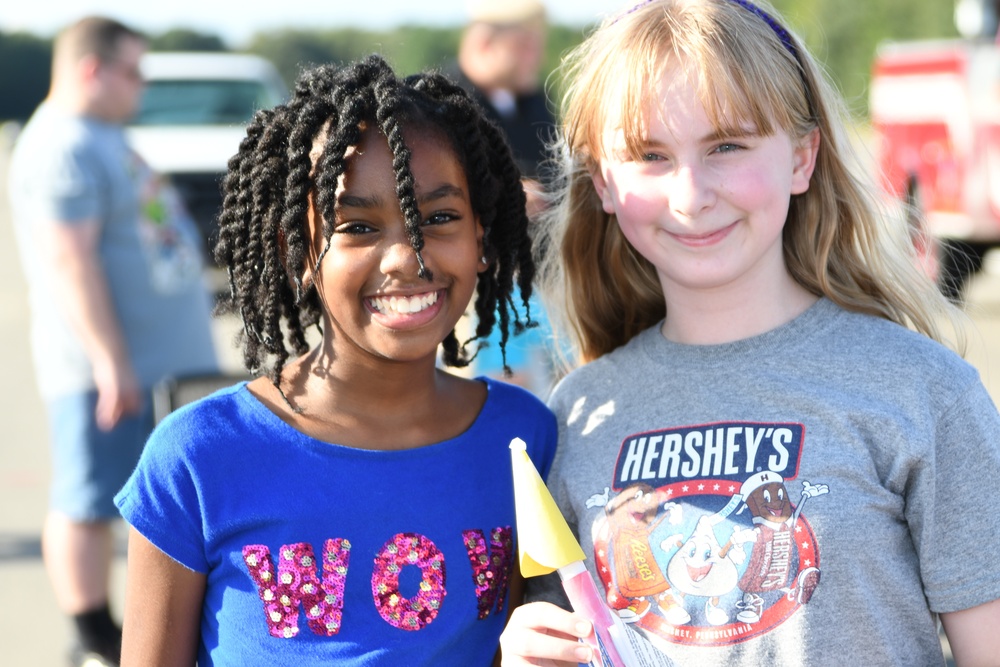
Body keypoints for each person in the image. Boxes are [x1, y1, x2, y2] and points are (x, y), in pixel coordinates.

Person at [498, 1, 1000, 665]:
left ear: (802, 156)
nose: (690, 193)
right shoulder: (578, 414)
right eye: (650, 155)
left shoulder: (924, 390)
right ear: (605, 185)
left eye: (726, 145)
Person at [112, 55, 558, 666]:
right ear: (297, 251)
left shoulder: (523, 438)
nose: (408, 258)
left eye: (440, 218)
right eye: (357, 226)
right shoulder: (199, 455)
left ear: (482, 237)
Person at [7, 16, 217, 667]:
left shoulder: (100, 137)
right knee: (88, 497)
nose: (141, 84)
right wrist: (110, 359)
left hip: (154, 364)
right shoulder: (62, 146)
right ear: (92, 70)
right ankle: (95, 636)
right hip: (112, 370)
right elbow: (72, 261)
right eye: (133, 70)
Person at [447, 0, 558, 394]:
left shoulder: (535, 103)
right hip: (475, 294)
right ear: (484, 43)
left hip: (539, 288)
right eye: (525, 45)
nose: (535, 56)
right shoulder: (444, 106)